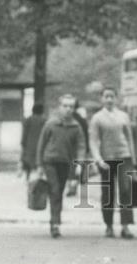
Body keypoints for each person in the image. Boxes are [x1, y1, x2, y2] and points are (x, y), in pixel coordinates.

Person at [36, 94, 86, 238]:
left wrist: (79, 164)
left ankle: (55, 221)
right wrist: (39, 166)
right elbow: (41, 144)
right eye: (65, 106)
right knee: (55, 190)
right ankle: (55, 223)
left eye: (71, 106)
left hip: (65, 163)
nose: (68, 109)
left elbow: (81, 146)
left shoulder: (76, 127)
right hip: (50, 162)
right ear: (60, 107)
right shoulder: (50, 124)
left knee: (59, 191)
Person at [89, 87, 137, 239]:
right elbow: (93, 141)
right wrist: (98, 159)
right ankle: (109, 226)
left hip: (124, 157)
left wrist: (133, 161)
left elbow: (129, 139)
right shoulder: (97, 118)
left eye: (112, 96)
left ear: (116, 98)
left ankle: (125, 226)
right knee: (108, 193)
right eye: (106, 96)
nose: (109, 99)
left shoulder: (123, 116)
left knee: (125, 190)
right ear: (101, 99)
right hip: (106, 160)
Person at [67, 98, 91, 197]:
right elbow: (86, 134)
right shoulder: (82, 119)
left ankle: (71, 187)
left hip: (69, 147)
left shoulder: (68, 119)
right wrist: (87, 148)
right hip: (81, 147)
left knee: (70, 168)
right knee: (78, 166)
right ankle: (76, 186)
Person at [20, 103, 46, 180]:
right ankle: (39, 178)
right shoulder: (44, 120)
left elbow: (24, 133)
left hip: (29, 145)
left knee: (28, 162)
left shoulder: (28, 120)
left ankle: (27, 177)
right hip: (40, 145)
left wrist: (23, 143)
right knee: (39, 162)